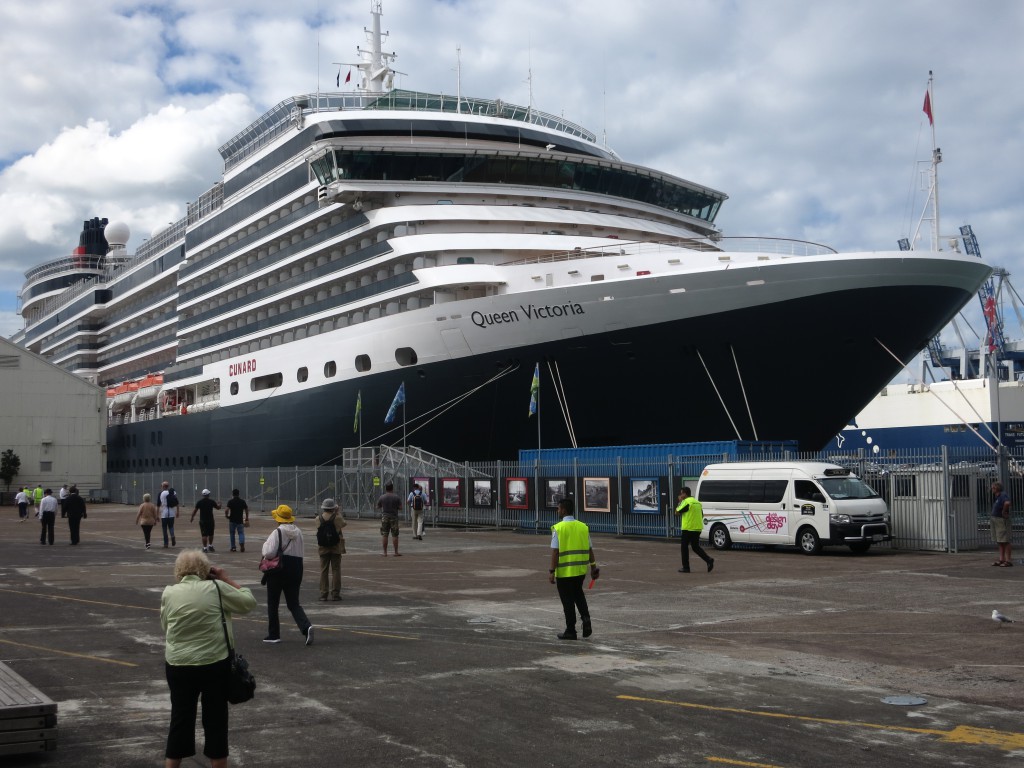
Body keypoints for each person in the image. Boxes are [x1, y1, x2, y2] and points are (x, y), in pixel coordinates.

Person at [160, 550, 256, 768]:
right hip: (214, 663)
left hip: (178, 664)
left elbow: (165, 625)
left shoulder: (169, 592)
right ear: (206, 570)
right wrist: (225, 578)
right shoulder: (217, 588)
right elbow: (248, 602)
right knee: (215, 722)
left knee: (180, 719)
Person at [261, 505, 314, 645]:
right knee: (293, 603)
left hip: (279, 569)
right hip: (296, 567)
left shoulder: (277, 532)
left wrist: (265, 546)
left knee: (273, 603)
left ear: (278, 518)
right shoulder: (299, 532)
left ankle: (274, 634)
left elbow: (269, 553)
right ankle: (306, 626)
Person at [548, 497, 599, 640]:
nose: (557, 511)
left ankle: (571, 630)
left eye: (558, 508)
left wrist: (551, 571)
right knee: (579, 595)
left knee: (567, 601)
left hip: (564, 573)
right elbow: (590, 549)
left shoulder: (558, 528)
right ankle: (586, 619)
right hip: (580, 571)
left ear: (563, 510)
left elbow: (555, 552)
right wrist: (593, 567)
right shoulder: (583, 527)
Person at [675, 487, 714, 573]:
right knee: (695, 547)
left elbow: (677, 512)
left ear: (685, 494)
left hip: (688, 528)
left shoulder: (686, 502)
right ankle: (708, 560)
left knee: (684, 547)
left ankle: (686, 567)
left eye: (681, 494)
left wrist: (680, 501)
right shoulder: (697, 503)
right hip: (697, 528)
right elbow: (702, 515)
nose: (680, 495)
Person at [317, 498, 347, 601]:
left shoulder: (318, 518)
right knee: (336, 570)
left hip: (323, 547)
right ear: (333, 507)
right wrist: (337, 512)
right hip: (336, 546)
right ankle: (335, 594)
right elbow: (344, 523)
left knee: (323, 570)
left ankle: (323, 594)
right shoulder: (337, 518)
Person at [991, 481, 1013, 567]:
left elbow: (1007, 503)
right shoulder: (998, 497)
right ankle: (1001, 559)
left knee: (1005, 540)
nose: (992, 489)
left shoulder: (1003, 495)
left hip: (1001, 520)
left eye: (992, 488)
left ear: (996, 488)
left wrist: (1004, 511)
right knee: (1000, 540)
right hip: (996, 519)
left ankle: (1008, 560)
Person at [377, 482, 402, 556]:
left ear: (386, 488)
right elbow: (400, 508)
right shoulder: (396, 497)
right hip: (394, 517)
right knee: (395, 535)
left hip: (385, 517)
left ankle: (385, 552)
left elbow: (378, 506)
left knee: (385, 534)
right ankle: (396, 552)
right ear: (392, 488)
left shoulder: (382, 497)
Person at [159, 481, 178, 548]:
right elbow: (176, 502)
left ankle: (166, 543)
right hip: (172, 512)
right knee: (171, 526)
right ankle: (172, 536)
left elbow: (160, 503)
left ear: (163, 486)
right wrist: (177, 512)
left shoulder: (161, 493)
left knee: (164, 528)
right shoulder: (173, 492)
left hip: (164, 513)